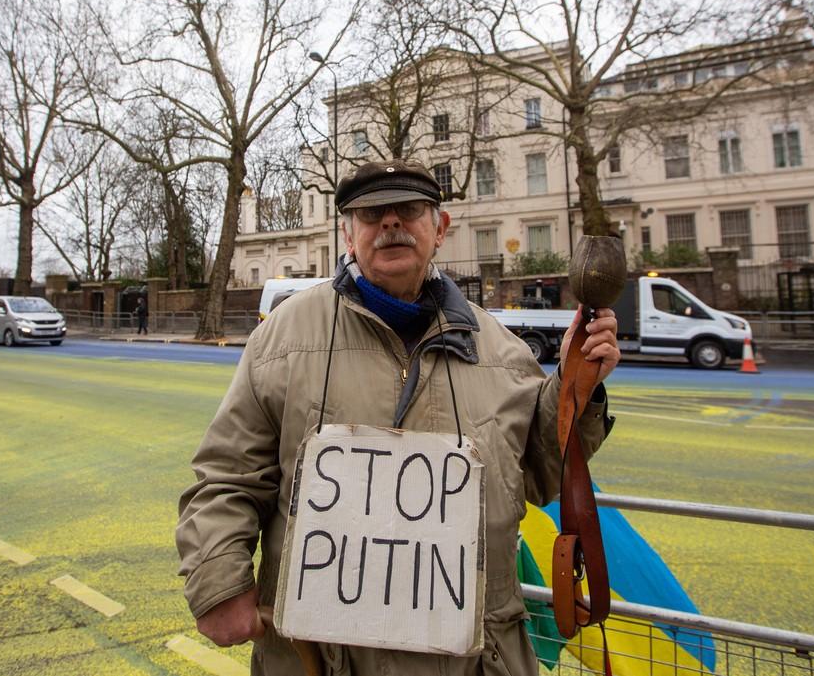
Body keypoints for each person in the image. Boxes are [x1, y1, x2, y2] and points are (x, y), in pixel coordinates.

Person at [176, 160, 620, 675]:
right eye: (370, 214)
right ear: (348, 234)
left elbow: (542, 472)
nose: (390, 224)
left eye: (408, 210)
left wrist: (576, 388)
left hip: (477, 660)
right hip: (319, 659)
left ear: (440, 229)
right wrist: (220, 583)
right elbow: (226, 477)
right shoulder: (281, 341)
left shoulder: (503, 351)